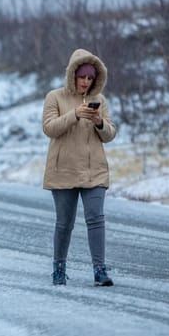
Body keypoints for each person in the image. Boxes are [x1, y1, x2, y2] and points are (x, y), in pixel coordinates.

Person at [41, 48, 117, 286]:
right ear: (72, 75)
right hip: (63, 170)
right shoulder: (55, 97)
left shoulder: (100, 101)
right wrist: (74, 114)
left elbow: (110, 134)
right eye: (82, 76)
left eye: (90, 78)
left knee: (96, 219)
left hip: (94, 171)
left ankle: (100, 270)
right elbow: (49, 128)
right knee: (64, 223)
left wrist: (99, 122)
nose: (85, 82)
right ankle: (59, 269)